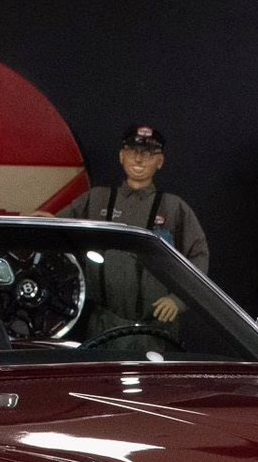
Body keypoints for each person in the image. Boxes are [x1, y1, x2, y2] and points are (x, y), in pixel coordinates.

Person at [52, 125, 208, 328]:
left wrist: (179, 300)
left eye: (148, 153)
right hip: (103, 323)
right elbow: (56, 228)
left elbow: (198, 255)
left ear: (160, 161)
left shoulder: (173, 208)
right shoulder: (97, 200)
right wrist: (41, 220)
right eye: (133, 151)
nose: (139, 159)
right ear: (121, 156)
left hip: (155, 327)